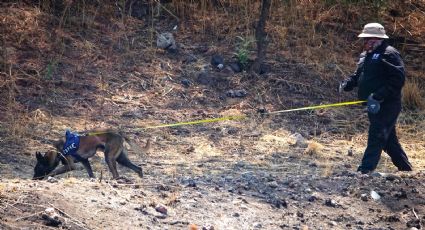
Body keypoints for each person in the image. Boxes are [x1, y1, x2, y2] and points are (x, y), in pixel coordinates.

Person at [339, 22, 413, 174]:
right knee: (388, 139)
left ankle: (365, 170)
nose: (366, 42)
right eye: (365, 39)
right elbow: (358, 75)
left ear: (378, 38)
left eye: (369, 39)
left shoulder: (389, 53)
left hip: (388, 104)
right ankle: (406, 169)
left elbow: (398, 80)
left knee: (377, 134)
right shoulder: (366, 55)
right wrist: (347, 84)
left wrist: (378, 96)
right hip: (373, 105)